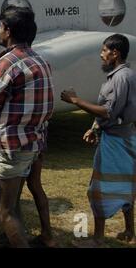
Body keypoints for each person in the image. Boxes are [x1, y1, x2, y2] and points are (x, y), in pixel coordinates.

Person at [0, 6, 54, 247]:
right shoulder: (40, 59)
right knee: (13, 203)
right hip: (33, 143)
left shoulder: (8, 63)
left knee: (6, 211)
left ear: (8, 31)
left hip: (11, 145)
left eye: (1, 26)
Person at [61, 34, 136, 247]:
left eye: (104, 51)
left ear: (115, 53)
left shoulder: (120, 78)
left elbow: (108, 112)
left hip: (115, 143)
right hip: (125, 138)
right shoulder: (126, 75)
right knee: (125, 186)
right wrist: (94, 127)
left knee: (100, 189)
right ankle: (130, 231)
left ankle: (98, 239)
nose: (101, 55)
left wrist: (75, 100)